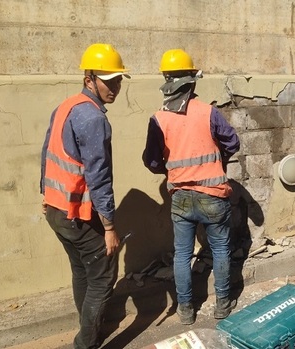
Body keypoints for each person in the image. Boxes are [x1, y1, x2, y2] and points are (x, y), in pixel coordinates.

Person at [40, 43, 130, 349]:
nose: (115, 87)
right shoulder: (94, 119)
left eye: (118, 80)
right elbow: (99, 178)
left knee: (81, 271)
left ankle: (88, 327)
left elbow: (46, 153)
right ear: (89, 78)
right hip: (77, 214)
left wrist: (44, 194)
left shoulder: (65, 106)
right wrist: (108, 228)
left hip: (56, 210)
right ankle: (86, 342)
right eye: (109, 80)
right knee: (103, 279)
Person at [142, 49, 240, 325]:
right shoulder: (209, 112)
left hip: (181, 197)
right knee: (220, 249)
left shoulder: (158, 119)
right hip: (213, 195)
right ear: (192, 80)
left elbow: (151, 161)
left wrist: (172, 169)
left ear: (166, 80)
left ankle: (185, 310)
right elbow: (233, 143)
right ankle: (222, 304)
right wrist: (217, 161)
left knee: (183, 254)